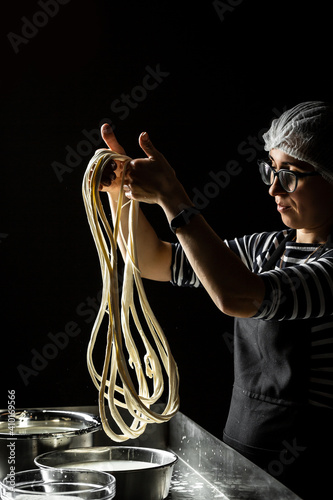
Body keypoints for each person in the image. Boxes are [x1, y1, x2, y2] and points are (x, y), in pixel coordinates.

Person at [96, 101, 333, 498]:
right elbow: (153, 260)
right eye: (271, 171)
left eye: (290, 176)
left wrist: (173, 197)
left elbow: (240, 296)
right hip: (242, 452)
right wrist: (123, 195)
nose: (274, 188)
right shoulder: (265, 249)